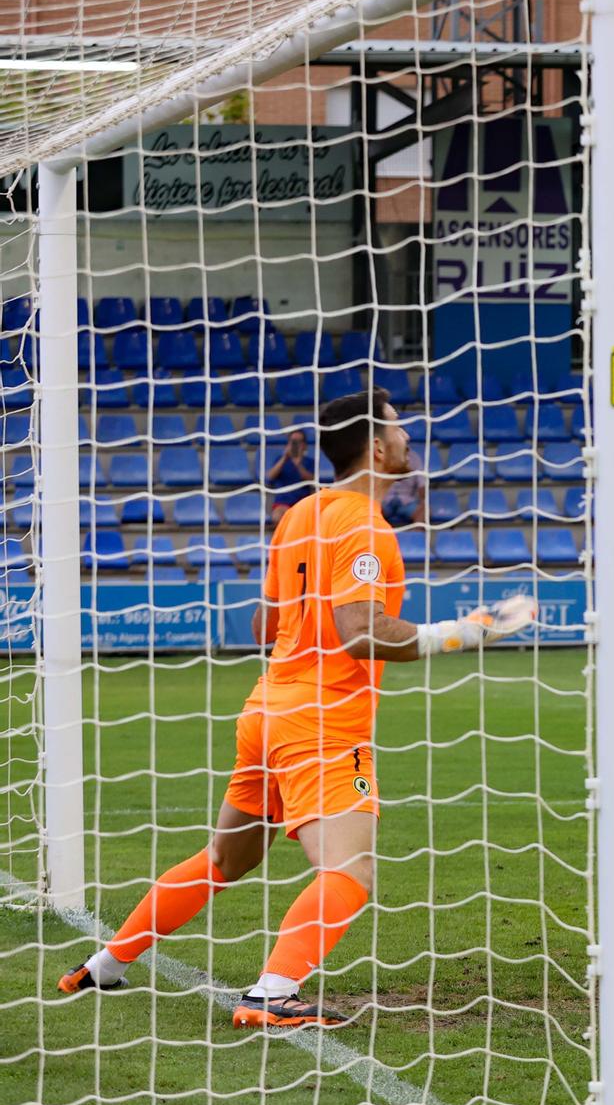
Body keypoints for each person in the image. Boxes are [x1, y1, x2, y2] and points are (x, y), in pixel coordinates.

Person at [57, 390, 535, 1027]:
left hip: (266, 710)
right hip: (323, 720)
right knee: (352, 869)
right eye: (397, 427)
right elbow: (359, 632)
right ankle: (271, 993)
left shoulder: (300, 515)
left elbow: (267, 620)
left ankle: (104, 966)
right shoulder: (367, 527)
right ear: (375, 447)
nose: (406, 436)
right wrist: (467, 631)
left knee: (227, 859)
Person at [265, 429, 315, 515]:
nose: (296, 445)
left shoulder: (309, 462)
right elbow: (270, 477)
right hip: (282, 503)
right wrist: (285, 457)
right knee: (278, 516)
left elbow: (311, 480)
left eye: (299, 442)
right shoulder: (280, 460)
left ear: (304, 445)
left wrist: (298, 464)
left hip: (302, 502)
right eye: (293, 442)